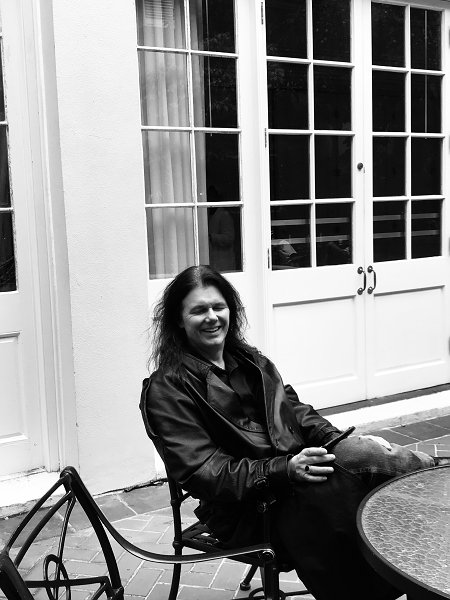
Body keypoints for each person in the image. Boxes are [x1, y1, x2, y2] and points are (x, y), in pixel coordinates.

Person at [140, 265, 443, 600]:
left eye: (218, 307)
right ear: (178, 320)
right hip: (244, 509)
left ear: (230, 310)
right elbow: (204, 472)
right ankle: (429, 487)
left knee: (357, 459)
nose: (212, 317)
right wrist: (285, 469)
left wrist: (336, 440)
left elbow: (294, 412)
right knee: (354, 473)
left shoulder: (249, 361)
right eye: (199, 310)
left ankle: (411, 565)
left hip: (287, 479)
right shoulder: (167, 389)